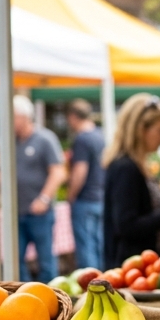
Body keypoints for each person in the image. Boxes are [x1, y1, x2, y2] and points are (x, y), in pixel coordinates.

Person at [102, 95, 160, 267]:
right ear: (141, 130)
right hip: (131, 269)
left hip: (137, 267)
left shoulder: (131, 165)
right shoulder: (126, 168)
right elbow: (127, 226)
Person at [13, 95, 66, 282]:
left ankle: (51, 295)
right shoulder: (11, 142)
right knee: (15, 258)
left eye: (13, 117)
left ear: (24, 117)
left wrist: (44, 198)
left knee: (45, 258)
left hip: (39, 212)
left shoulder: (45, 139)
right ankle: (23, 294)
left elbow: (58, 172)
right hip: (16, 211)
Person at [65, 99, 105, 270]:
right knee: (97, 244)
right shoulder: (99, 135)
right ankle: (103, 280)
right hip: (99, 197)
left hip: (85, 199)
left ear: (73, 117)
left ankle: (90, 285)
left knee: (85, 245)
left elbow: (80, 170)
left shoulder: (81, 139)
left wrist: (71, 194)